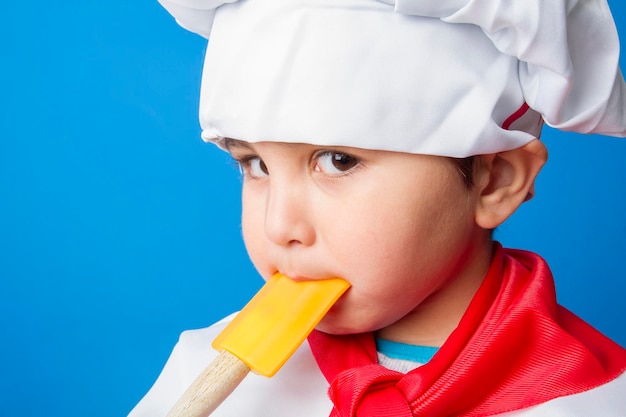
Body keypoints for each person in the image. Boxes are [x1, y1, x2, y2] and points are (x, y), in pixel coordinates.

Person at [129, 0, 626, 415]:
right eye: (254, 164)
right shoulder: (200, 370)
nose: (278, 226)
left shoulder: (599, 401)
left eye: (338, 161)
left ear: (494, 181)